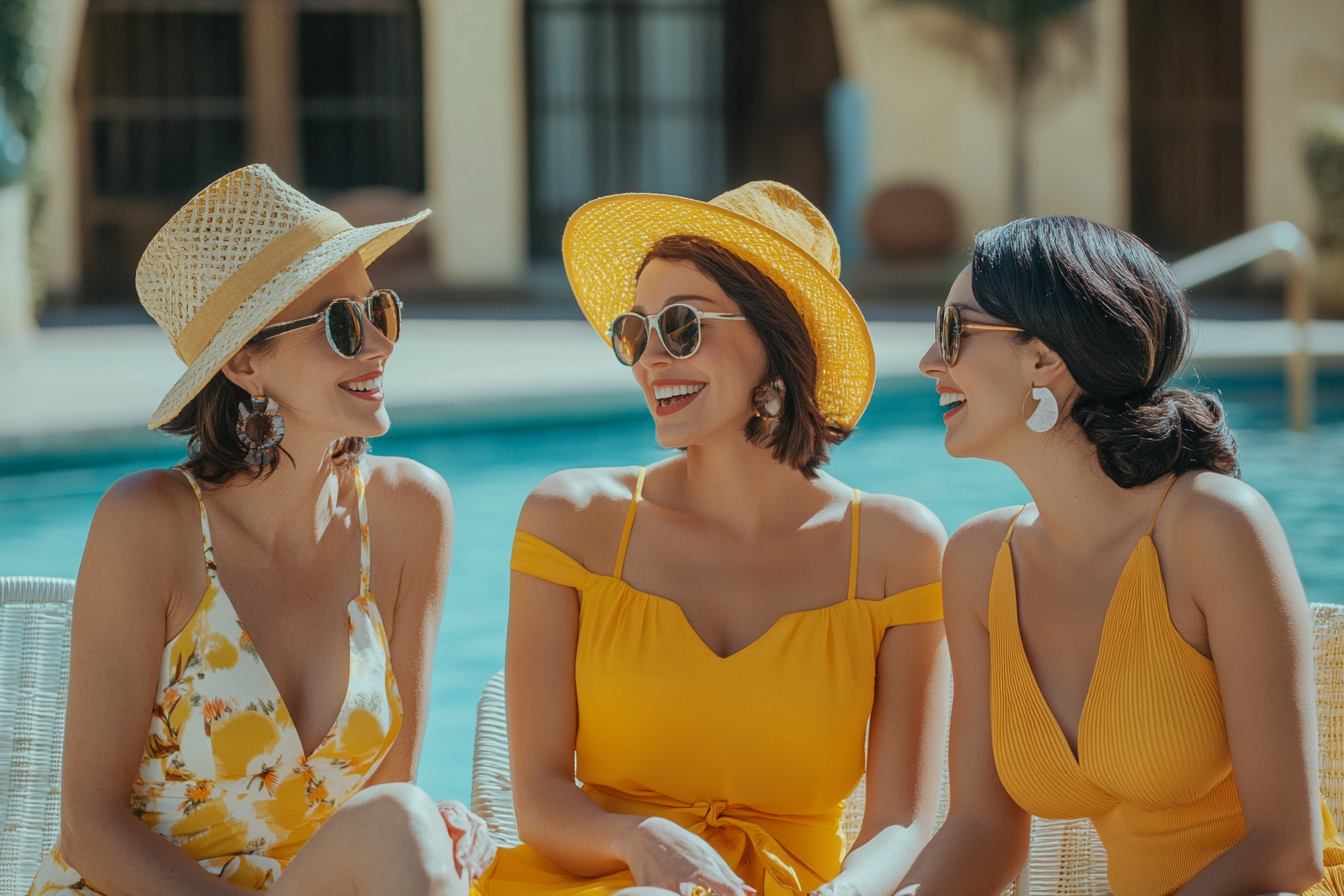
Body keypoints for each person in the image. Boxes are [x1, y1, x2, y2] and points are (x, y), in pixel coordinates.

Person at [28, 165, 493, 896]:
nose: (378, 344)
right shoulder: (148, 525)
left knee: (405, 817)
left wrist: (428, 830)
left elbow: (384, 792)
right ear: (245, 361)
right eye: (341, 323)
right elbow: (90, 829)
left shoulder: (411, 513)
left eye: (381, 309)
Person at [478, 182, 949, 896]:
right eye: (635, 333)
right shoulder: (571, 520)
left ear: (776, 339)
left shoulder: (895, 550)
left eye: (683, 326)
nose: (650, 360)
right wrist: (638, 841)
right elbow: (540, 796)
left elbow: (902, 824)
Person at [901, 215, 1344, 896]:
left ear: (1043, 358)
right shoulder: (978, 561)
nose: (931, 360)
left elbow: (1286, 853)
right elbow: (981, 833)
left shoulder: (1212, 526)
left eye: (954, 331)